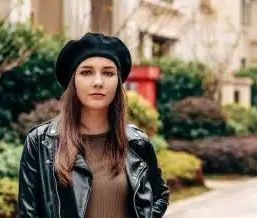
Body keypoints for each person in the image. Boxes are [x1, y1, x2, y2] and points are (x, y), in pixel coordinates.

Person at [18, 32, 169, 218]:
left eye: (108, 73)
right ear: (73, 81)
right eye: (87, 72)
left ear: (118, 82)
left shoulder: (138, 142)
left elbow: (160, 195)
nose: (98, 82)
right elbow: (28, 213)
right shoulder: (41, 142)